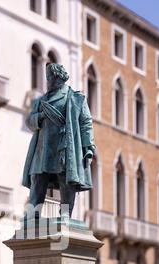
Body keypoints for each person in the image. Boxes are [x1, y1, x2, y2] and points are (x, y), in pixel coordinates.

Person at [22, 63, 96, 219]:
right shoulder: (40, 101)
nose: (47, 80)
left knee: (66, 180)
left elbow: (86, 122)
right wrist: (40, 117)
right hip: (43, 148)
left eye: (49, 77)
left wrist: (88, 147)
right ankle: (32, 215)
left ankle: (65, 214)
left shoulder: (75, 98)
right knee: (38, 178)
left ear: (57, 78)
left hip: (64, 146)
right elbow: (29, 121)